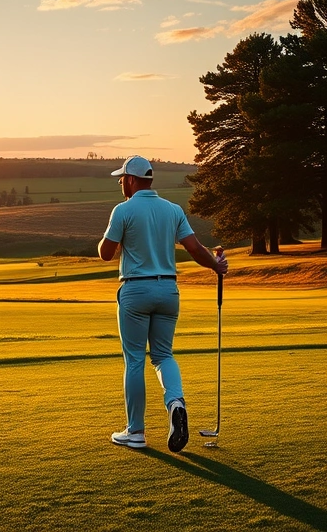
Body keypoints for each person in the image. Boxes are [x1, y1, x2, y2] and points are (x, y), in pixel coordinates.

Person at [98, 155, 229, 453]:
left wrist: (113, 237)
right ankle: (175, 403)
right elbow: (195, 248)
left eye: (122, 178)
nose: (120, 182)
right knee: (162, 355)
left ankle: (136, 433)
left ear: (131, 180)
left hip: (135, 290)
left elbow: (105, 254)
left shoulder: (123, 210)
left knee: (134, 360)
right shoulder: (173, 210)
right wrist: (216, 267)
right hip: (168, 290)